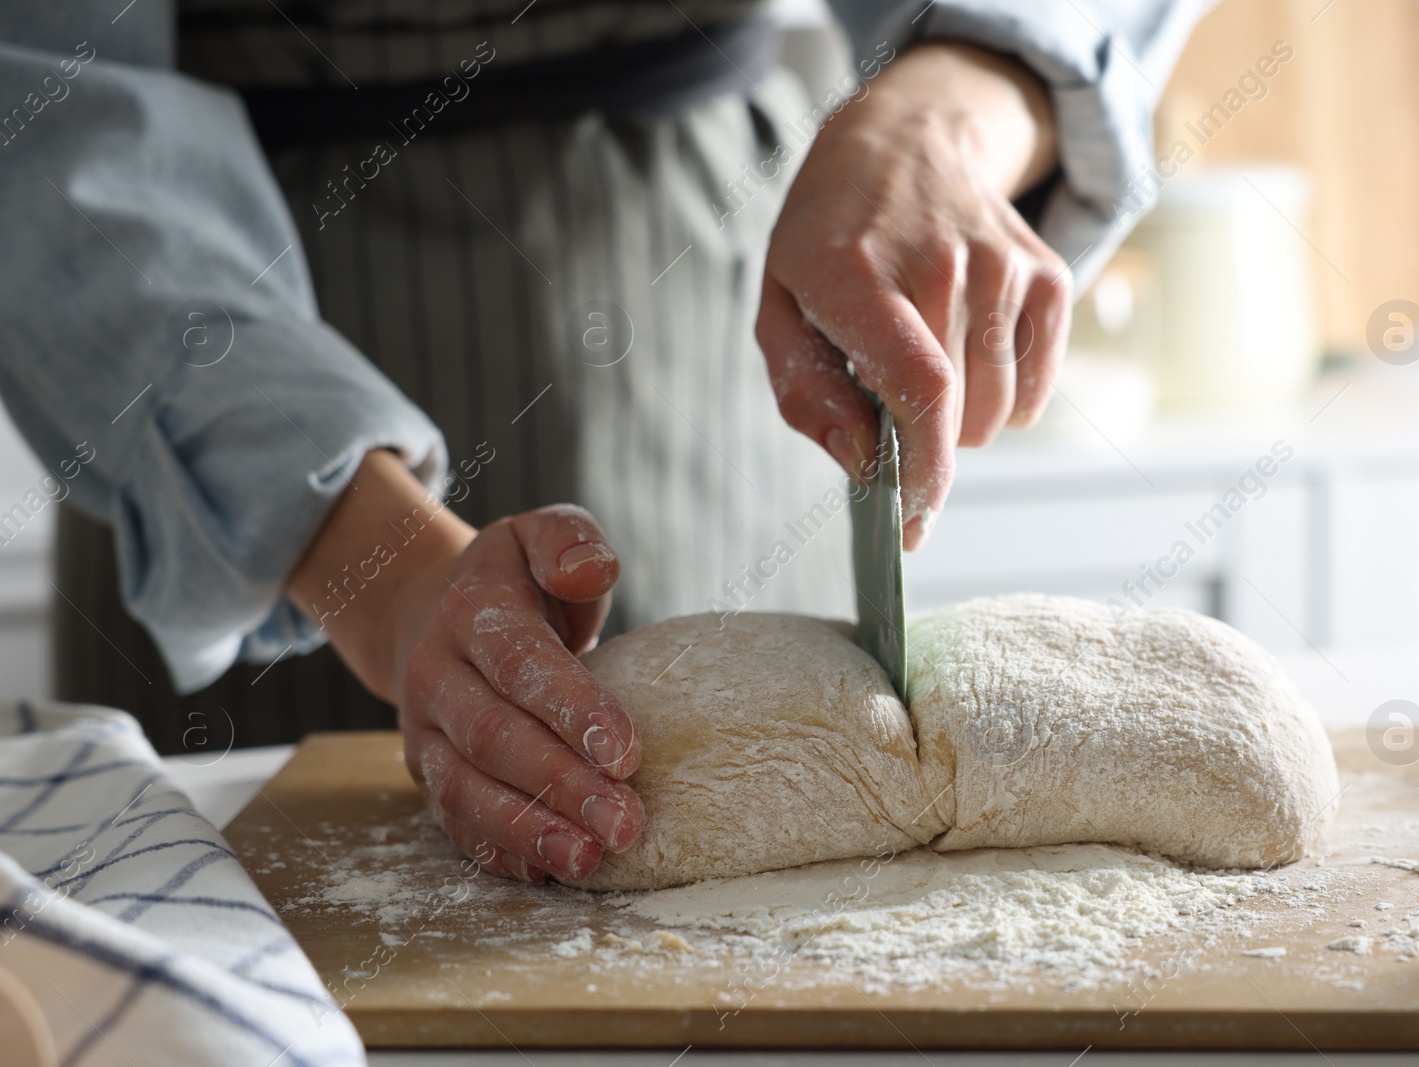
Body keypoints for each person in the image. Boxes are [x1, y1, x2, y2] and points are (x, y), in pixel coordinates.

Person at [1, 0, 1203, 885]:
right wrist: (378, 571)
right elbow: (38, 93)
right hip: (197, 351)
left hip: (719, 274)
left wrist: (957, 99)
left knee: (787, 890)